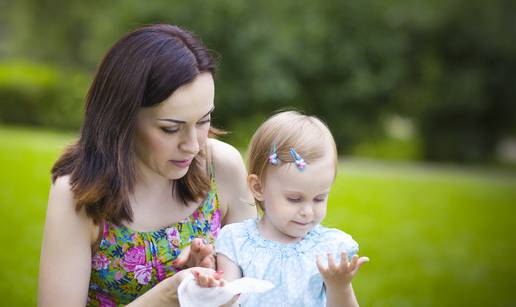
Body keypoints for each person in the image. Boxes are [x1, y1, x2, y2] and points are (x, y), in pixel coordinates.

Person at [37, 24, 257, 306]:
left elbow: (258, 284)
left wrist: (214, 281)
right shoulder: (77, 194)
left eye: (204, 120)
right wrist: (169, 295)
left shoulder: (222, 167)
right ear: (123, 118)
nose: (192, 145)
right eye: (170, 128)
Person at [194, 111, 369, 306]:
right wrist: (215, 291)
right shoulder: (236, 241)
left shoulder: (329, 248)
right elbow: (227, 301)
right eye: (294, 199)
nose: (308, 211)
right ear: (258, 188)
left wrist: (340, 287)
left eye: (319, 198)